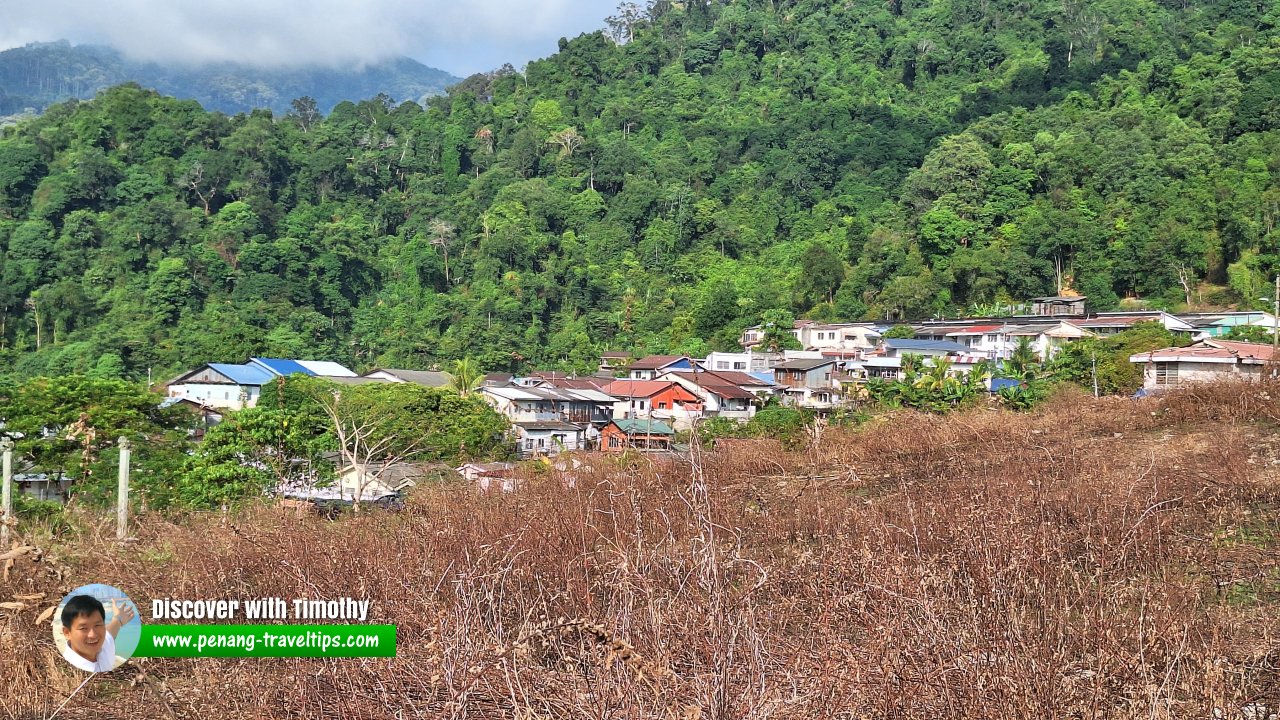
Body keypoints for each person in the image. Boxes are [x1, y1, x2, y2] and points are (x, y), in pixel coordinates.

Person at [59, 595, 135, 672]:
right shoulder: (71, 670)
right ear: (67, 633)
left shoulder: (103, 646)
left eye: (97, 625)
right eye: (83, 628)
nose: (93, 635)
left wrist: (118, 619)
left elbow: (110, 633)